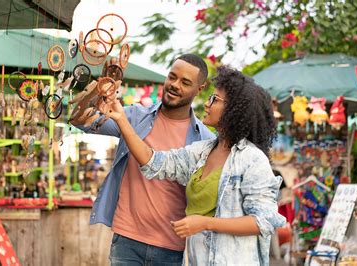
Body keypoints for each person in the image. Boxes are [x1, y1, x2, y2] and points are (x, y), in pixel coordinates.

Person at [101, 65, 286, 265]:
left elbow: (263, 221)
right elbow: (154, 162)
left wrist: (205, 223)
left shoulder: (252, 159)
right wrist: (121, 119)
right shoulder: (201, 152)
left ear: (233, 110)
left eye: (214, 99)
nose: (207, 104)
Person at [70, 54, 215, 265]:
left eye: (185, 82)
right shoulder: (136, 116)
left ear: (199, 89)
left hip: (171, 246)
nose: (175, 85)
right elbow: (79, 120)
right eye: (172, 77)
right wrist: (101, 86)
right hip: (127, 238)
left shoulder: (204, 140)